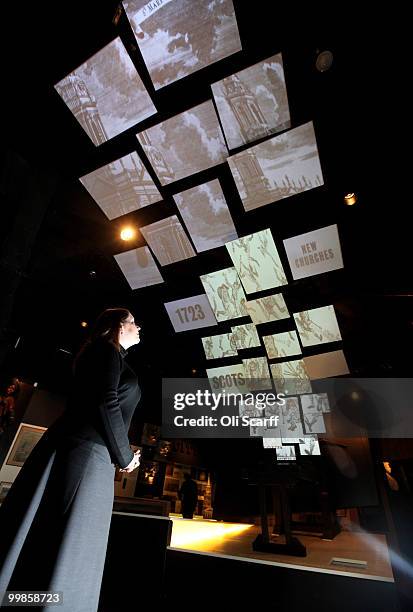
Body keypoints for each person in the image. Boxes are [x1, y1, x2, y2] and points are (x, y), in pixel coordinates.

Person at [0, 308, 142, 611]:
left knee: (60, 537)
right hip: (87, 455)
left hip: (87, 454)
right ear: (118, 327)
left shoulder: (106, 355)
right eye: (133, 322)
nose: (138, 326)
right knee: (71, 540)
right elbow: (106, 402)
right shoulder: (104, 350)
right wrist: (126, 458)